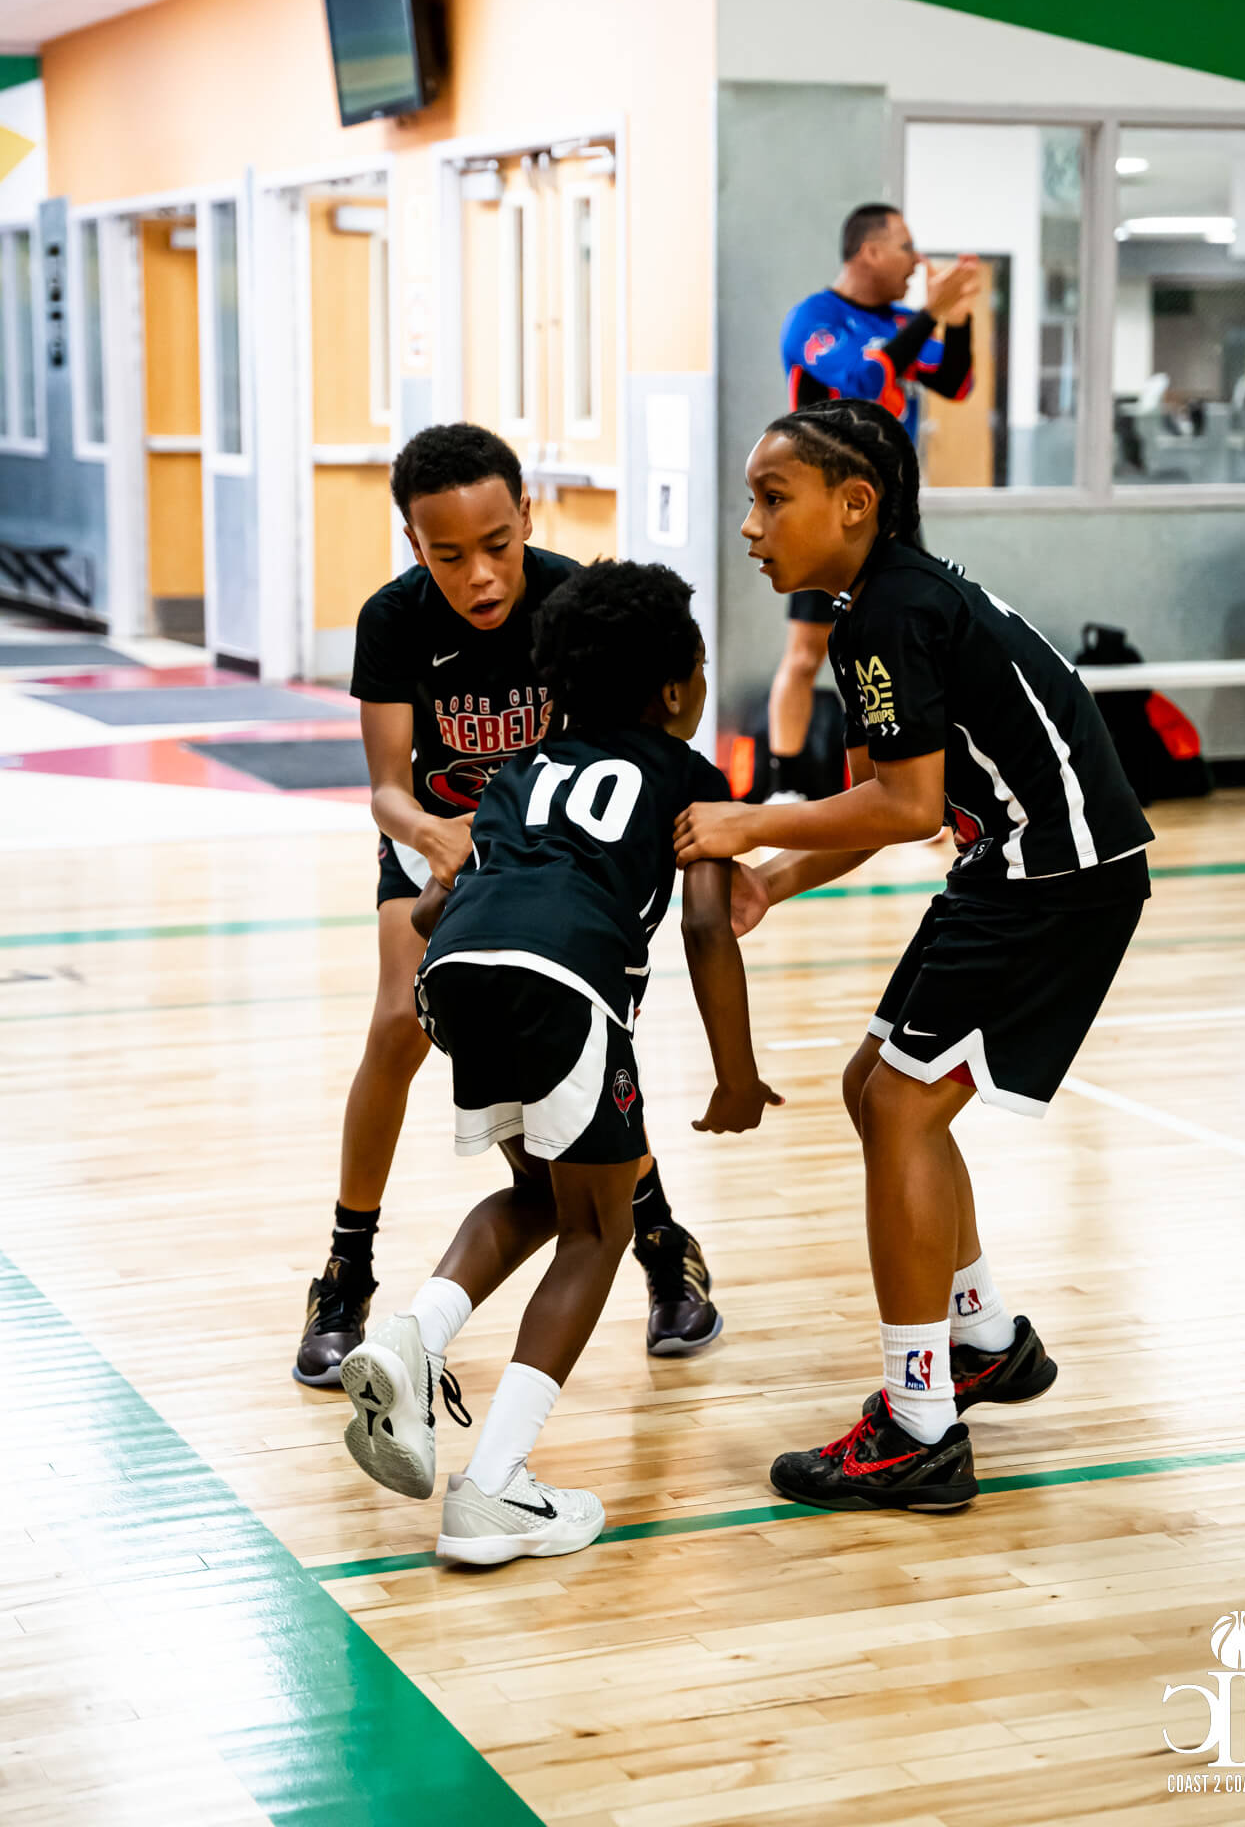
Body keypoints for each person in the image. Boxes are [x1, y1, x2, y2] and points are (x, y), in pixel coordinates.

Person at [675, 398, 1153, 1516]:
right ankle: (982, 1337)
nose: (750, 525)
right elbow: (885, 800)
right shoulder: (884, 602)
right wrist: (775, 878)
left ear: (856, 504)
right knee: (874, 1088)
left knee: (901, 1107)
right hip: (1013, 866)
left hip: (1055, 878)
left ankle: (918, 1426)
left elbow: (906, 805)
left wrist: (750, 821)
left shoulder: (888, 613)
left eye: (772, 498)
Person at [337, 560, 781, 1564]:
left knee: (542, 1195)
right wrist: (736, 1072)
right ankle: (494, 1486)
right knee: (599, 1227)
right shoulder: (688, 780)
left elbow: (431, 904)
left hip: (456, 975)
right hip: (562, 980)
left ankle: (412, 1336)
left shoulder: (520, 771)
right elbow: (705, 928)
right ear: (677, 688)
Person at [295, 425, 721, 1386]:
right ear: (414, 543)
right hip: (438, 839)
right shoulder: (392, 620)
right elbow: (385, 790)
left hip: (547, 847)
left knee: (588, 1044)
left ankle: (663, 1247)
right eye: (448, 556)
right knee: (397, 1023)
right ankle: (344, 1272)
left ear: (527, 516)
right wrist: (433, 835)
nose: (479, 574)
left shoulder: (571, 600)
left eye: (496, 545)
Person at [767, 205, 979, 802]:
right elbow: (863, 381)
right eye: (906, 247)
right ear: (870, 251)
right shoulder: (814, 319)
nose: (916, 261)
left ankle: (917, 791)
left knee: (908, 647)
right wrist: (931, 313)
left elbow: (956, 381)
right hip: (823, 513)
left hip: (891, 510)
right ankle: (784, 788)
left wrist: (957, 318)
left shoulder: (902, 321)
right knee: (808, 652)